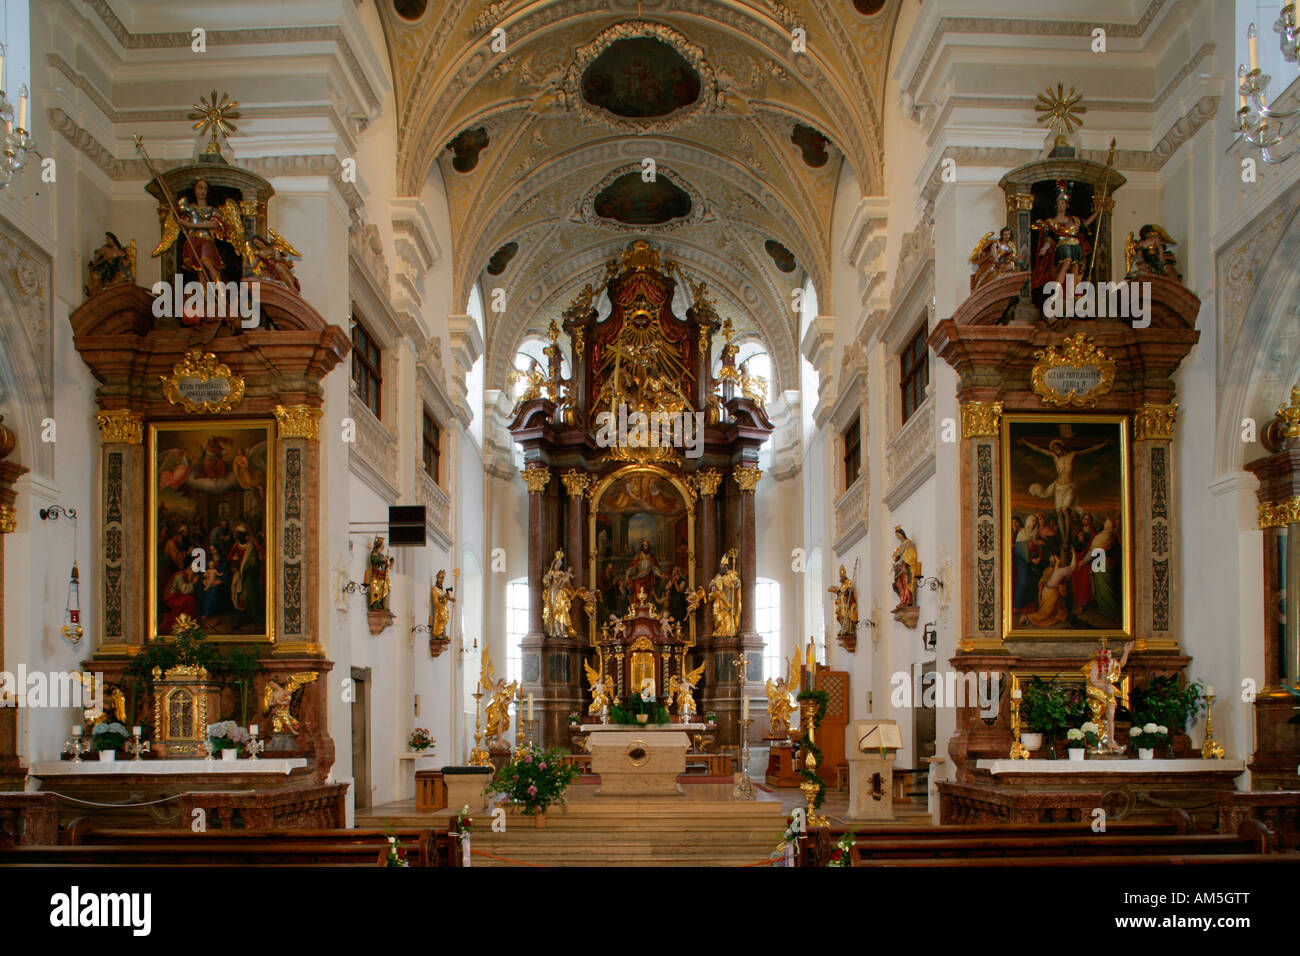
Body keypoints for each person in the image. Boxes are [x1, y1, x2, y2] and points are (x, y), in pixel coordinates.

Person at [1020, 435, 1112, 543]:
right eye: (1054, 450)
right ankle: (1064, 539)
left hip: (1069, 487)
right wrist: (1026, 443)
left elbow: (1090, 450)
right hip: (1059, 488)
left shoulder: (1072, 455)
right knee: (1059, 512)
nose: (1056, 451)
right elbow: (1039, 449)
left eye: (1057, 448)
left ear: (1061, 446)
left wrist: (1105, 443)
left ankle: (1068, 537)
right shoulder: (1055, 458)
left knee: (1066, 510)